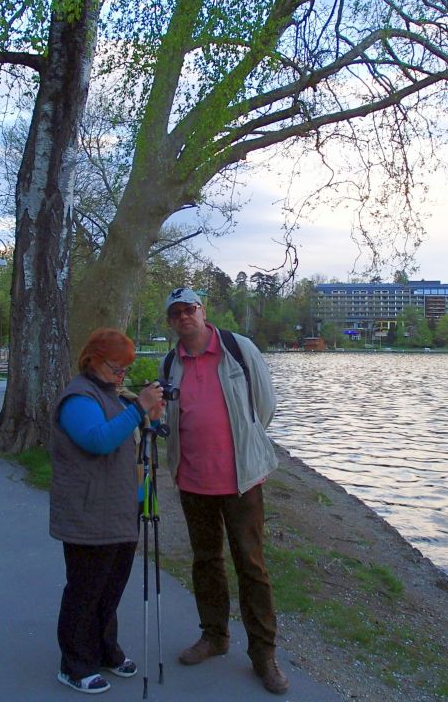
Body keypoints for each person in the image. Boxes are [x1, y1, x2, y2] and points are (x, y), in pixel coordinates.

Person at [160, 288, 289, 695]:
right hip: (192, 481)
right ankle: (214, 636)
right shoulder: (170, 363)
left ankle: (263, 655)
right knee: (206, 562)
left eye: (190, 309)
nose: (184, 317)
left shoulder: (238, 349)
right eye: (176, 313)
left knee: (251, 566)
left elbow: (265, 406)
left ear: (203, 311)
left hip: (241, 481)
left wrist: (246, 446)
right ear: (171, 322)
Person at [50, 327, 164, 695]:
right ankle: (74, 664)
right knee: (85, 590)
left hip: (120, 508)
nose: (121, 375)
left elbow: (130, 436)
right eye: (116, 368)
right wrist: (138, 408)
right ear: (94, 361)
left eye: (125, 370)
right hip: (88, 512)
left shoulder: (112, 393)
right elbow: (97, 440)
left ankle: (104, 649)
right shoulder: (78, 398)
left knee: (111, 588)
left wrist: (152, 417)